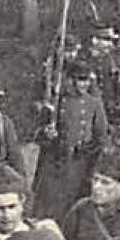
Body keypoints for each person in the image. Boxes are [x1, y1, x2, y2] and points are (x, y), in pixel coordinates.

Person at [32, 59, 108, 220]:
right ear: (70, 79)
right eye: (79, 79)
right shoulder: (56, 102)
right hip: (56, 162)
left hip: (80, 163)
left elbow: (101, 136)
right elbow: (38, 135)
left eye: (86, 80)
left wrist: (89, 155)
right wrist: (47, 134)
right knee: (50, 205)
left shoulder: (93, 104)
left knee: (75, 204)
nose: (83, 84)